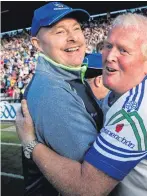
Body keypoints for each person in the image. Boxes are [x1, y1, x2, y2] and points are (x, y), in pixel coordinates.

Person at [16, 13, 147, 196]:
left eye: (123, 50)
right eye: (108, 46)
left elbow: (86, 188)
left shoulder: (138, 113)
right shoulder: (125, 94)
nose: (109, 56)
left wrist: (31, 144)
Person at [19, 2, 104, 195]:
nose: (74, 38)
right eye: (60, 32)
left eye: (76, 29)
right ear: (37, 44)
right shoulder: (52, 91)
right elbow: (93, 181)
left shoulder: (67, 78)